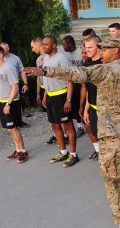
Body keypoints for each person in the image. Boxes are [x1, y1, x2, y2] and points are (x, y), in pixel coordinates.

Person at [26, 38, 120, 228]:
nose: (101, 53)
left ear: (114, 51)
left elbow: (76, 74)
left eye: (104, 50)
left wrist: (45, 71)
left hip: (112, 136)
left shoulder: (105, 70)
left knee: (112, 179)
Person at [41, 35, 79, 167]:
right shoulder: (46, 58)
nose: (43, 46)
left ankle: (73, 154)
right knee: (55, 125)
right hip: (51, 96)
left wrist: (68, 100)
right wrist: (46, 94)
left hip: (62, 96)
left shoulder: (62, 58)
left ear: (53, 45)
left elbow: (70, 80)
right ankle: (63, 152)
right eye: (42, 44)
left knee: (68, 125)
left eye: (46, 44)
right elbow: (47, 77)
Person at [0, 45, 28, 163]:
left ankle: (23, 151)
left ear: (0, 56)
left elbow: (15, 87)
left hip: (12, 102)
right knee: (10, 129)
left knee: (13, 128)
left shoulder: (8, 68)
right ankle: (17, 151)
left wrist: (8, 104)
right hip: (2, 102)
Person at [82, 36, 103, 161]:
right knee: (94, 132)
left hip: (105, 110)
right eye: (86, 47)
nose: (87, 50)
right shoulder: (87, 65)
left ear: (98, 47)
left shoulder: (103, 64)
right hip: (93, 108)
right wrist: (86, 109)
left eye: (90, 47)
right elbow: (90, 90)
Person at [62, 35, 86, 138]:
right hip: (73, 82)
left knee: (84, 103)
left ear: (70, 44)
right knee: (75, 104)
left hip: (83, 82)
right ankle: (80, 126)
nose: (63, 47)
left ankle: (88, 122)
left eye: (64, 45)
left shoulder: (80, 53)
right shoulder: (65, 56)